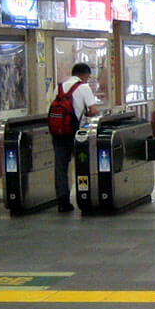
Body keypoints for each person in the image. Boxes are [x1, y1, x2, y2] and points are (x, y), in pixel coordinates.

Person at [52, 62, 99, 212]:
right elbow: (93, 110)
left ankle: (62, 201)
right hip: (76, 134)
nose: (88, 79)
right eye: (88, 76)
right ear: (84, 75)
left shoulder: (59, 87)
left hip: (58, 132)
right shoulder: (83, 87)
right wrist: (85, 113)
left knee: (61, 167)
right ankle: (84, 197)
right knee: (82, 165)